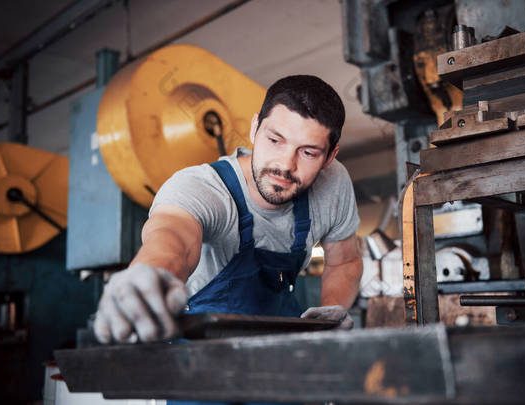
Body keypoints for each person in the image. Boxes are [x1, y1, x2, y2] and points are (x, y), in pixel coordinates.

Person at [93, 75, 363, 345]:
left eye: (308, 153)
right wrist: (149, 275)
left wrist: (333, 311)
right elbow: (173, 240)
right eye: (275, 140)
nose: (285, 164)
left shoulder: (333, 184)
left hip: (280, 354)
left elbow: (344, 261)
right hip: (198, 359)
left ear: (330, 156)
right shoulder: (201, 188)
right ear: (255, 128)